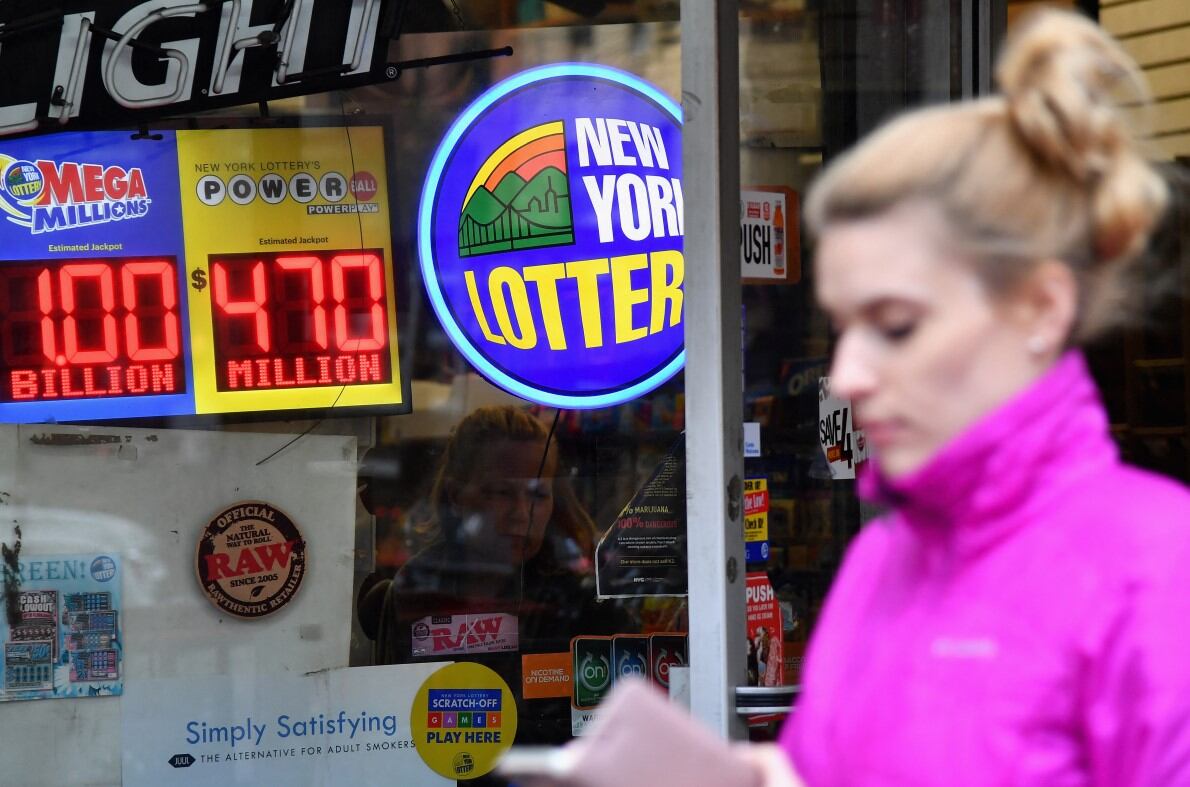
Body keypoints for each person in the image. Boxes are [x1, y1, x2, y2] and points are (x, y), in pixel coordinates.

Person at [757, 9, 1190, 786]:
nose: (848, 372)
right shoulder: (878, 559)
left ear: (1040, 307)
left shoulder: (1161, 570)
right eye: (841, 327)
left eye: (893, 324)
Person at [368, 405, 622, 745]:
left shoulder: (581, 598)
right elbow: (391, 728)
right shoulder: (417, 586)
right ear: (457, 497)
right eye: (501, 493)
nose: (521, 514)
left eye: (537, 494)